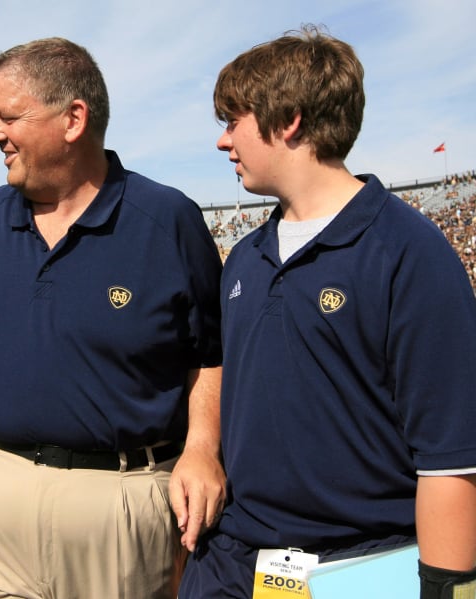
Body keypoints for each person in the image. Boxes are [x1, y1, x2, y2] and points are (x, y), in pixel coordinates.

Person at [179, 25, 476, 599]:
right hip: (234, 563)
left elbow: (451, 459)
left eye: (233, 121)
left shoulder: (408, 251)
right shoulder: (243, 257)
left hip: (362, 567)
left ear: (287, 119)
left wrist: (444, 587)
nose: (223, 141)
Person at [0, 37, 224, 599]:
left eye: (7, 117)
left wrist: (203, 448)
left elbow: (210, 356)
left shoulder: (165, 219)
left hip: (112, 503)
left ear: (73, 119)